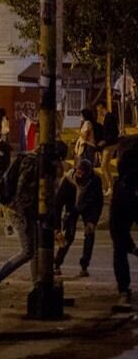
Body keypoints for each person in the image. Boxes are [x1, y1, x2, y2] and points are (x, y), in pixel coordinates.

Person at [0, 143, 66, 301]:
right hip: (20, 212)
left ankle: (36, 286)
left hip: (26, 212)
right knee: (28, 251)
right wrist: (25, 215)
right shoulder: (32, 163)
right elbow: (21, 191)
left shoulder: (39, 163)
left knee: (32, 251)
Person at [53, 159, 104, 277]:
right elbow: (58, 204)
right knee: (68, 236)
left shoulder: (95, 181)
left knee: (90, 235)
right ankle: (57, 263)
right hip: (72, 208)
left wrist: (93, 221)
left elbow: (98, 202)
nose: (79, 176)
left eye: (82, 174)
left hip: (88, 207)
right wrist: (57, 227)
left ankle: (84, 265)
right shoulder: (68, 180)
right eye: (78, 172)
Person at [109, 146, 138, 307]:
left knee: (119, 249)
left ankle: (124, 290)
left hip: (125, 205)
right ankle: (123, 289)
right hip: (125, 205)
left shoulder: (123, 184)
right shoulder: (124, 185)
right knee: (119, 249)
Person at [95, 102, 119, 196]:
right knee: (105, 166)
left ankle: (110, 187)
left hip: (110, 145)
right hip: (108, 144)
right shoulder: (106, 117)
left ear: (101, 107)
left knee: (104, 166)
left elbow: (114, 132)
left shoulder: (109, 117)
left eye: (98, 109)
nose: (98, 111)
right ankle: (108, 186)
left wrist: (105, 141)